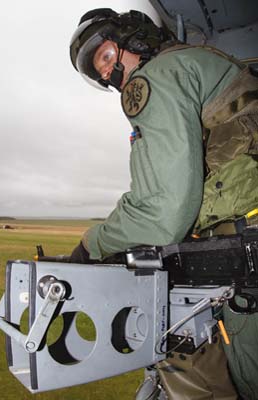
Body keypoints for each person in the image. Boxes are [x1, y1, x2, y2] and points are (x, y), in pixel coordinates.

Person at [69, 8, 258, 399]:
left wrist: (92, 246)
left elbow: (162, 211)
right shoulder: (198, 64)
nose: (109, 75)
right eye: (100, 73)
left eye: (105, 58)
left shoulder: (155, 76)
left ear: (134, 41)